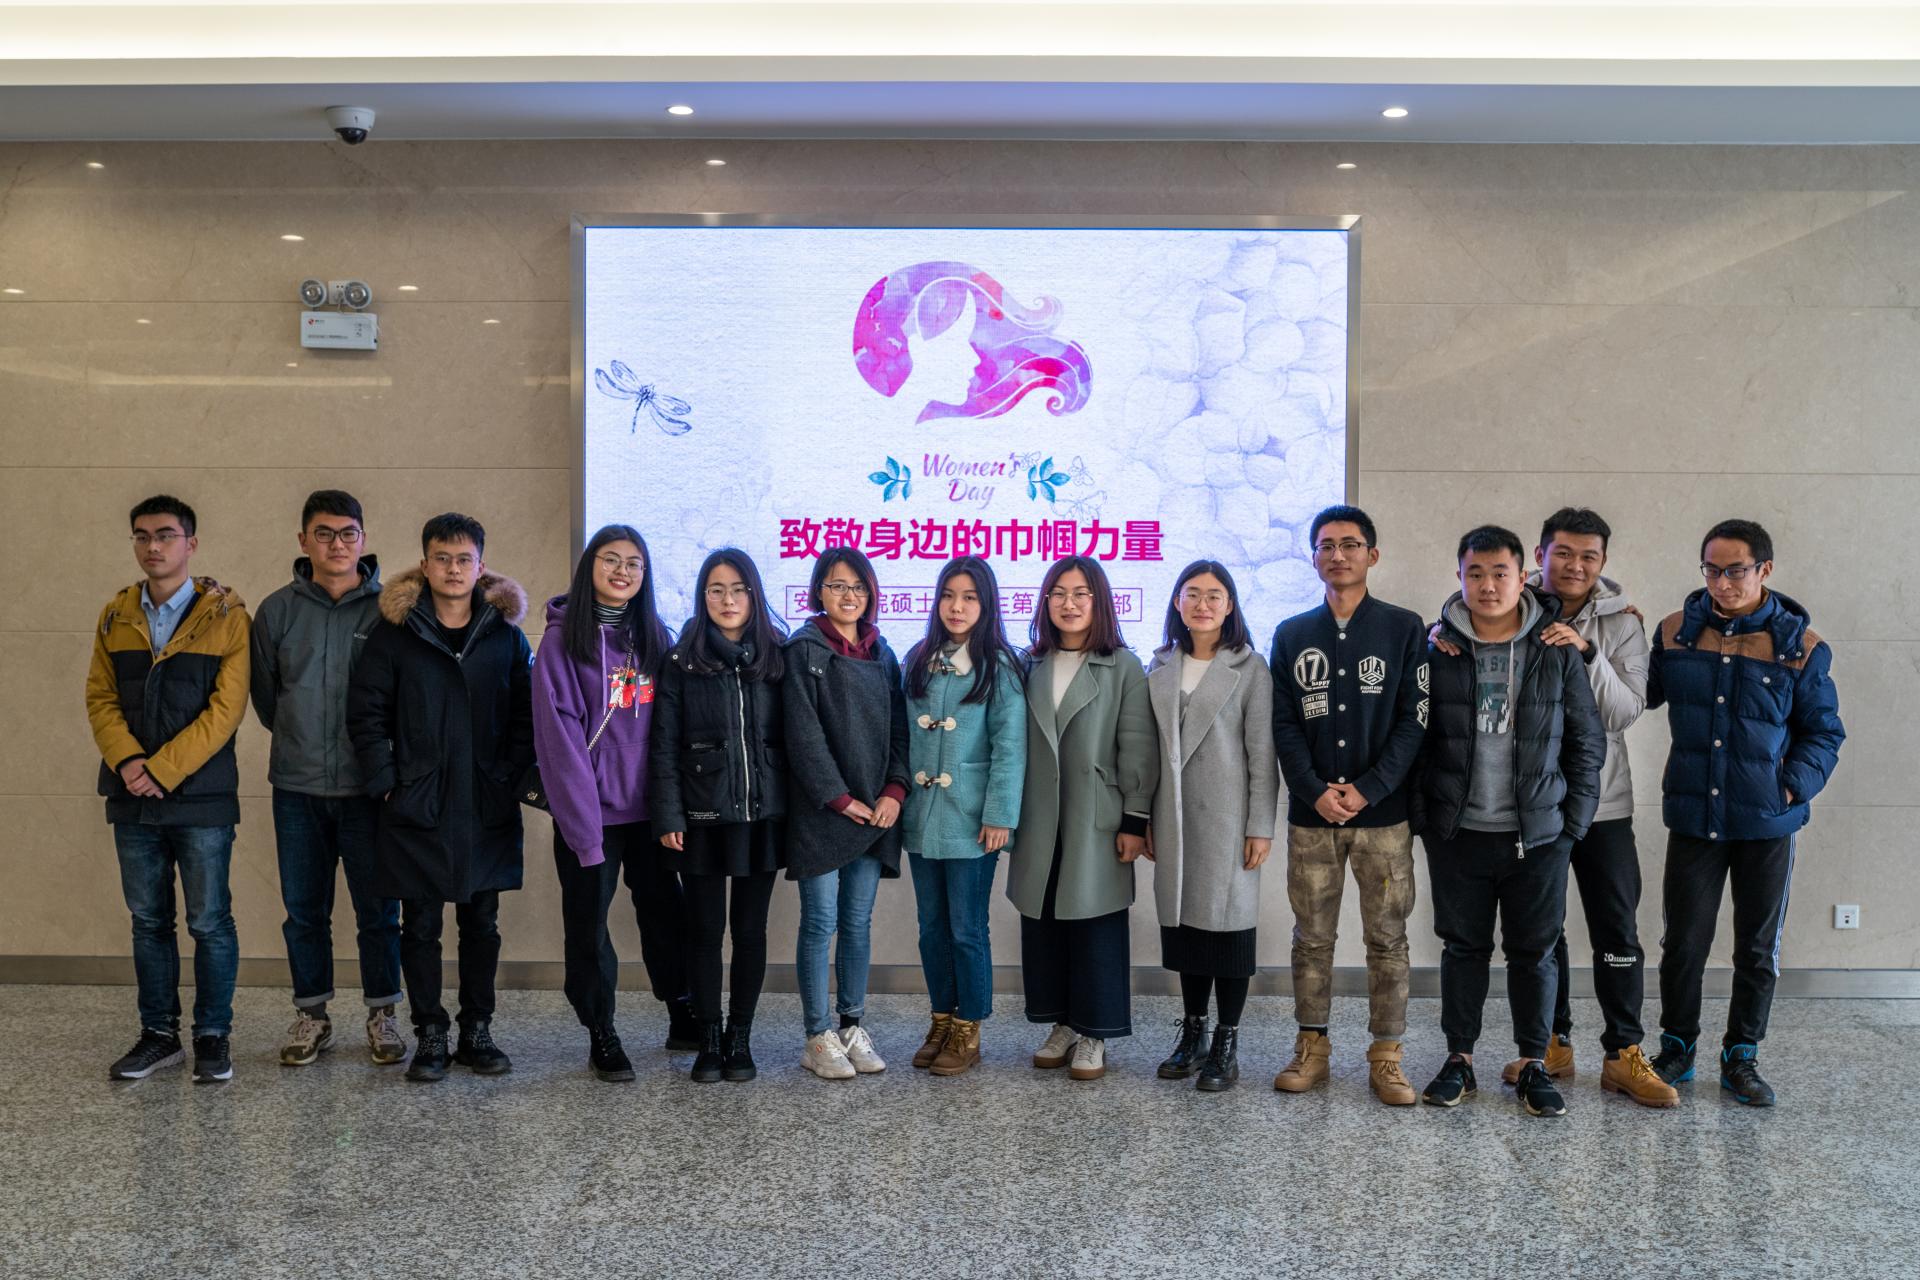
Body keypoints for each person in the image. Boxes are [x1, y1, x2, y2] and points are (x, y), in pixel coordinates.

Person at [1443, 509, 1676, 1107]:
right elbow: (1467, 617)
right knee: (1542, 934)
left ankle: (1624, 1052)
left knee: (1615, 927)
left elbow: (1622, 712)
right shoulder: (1511, 605)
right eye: (1563, 553)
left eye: (1588, 556)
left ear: (1603, 562)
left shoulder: (1621, 624)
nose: (1575, 566)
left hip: (1600, 802)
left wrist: (1587, 652)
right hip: (1525, 809)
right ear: (1539, 558)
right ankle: (1552, 1043)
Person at [1646, 519, 1845, 1107]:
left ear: (1764, 570)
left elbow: (1824, 733)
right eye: (1712, 570)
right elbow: (1637, 693)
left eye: (1736, 570)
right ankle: (1677, 1048)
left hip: (1766, 823)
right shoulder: (1675, 632)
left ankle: (1742, 1056)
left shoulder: (1801, 646)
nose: (1723, 582)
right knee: (1683, 942)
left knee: (1756, 949)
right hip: (1693, 817)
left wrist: (1790, 789)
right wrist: (1617, 631)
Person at [1416, 525, 1605, 1118]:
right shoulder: (1436, 650)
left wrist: (1571, 826)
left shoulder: (1554, 647)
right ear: (1459, 578)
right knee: (1463, 948)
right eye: (1474, 573)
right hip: (1458, 831)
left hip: (1539, 834)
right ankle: (1460, 1059)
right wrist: (1427, 820)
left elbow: (1587, 741)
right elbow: (1413, 738)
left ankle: (1532, 1063)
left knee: (1534, 952)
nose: (1488, 585)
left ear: (1522, 577)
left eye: (1500, 573)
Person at [347, 513, 533, 1083]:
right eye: (442, 559)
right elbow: (366, 713)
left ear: (481, 566)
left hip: (485, 801)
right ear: (425, 565)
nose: (453, 569)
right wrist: (387, 781)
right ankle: (430, 1030)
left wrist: (507, 775)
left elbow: (526, 718)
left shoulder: (505, 636)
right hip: (416, 803)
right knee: (420, 926)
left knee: (482, 923)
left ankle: (477, 1029)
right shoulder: (394, 634)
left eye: (464, 559)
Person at [1268, 505, 1427, 1106]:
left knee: (1388, 938)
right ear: (1313, 557)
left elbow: (1415, 720)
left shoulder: (1404, 629)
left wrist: (1368, 788)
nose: (1338, 555)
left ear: (1372, 555)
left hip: (1383, 818)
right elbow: (1283, 724)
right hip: (1312, 818)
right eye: (1326, 545)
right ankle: (1312, 1046)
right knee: (1312, 937)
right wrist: (1314, 790)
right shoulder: (1291, 634)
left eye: (1350, 544)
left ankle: (1387, 1055)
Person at [89, 495, 250, 1083]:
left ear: (191, 544)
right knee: (148, 921)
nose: (152, 546)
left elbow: (225, 711)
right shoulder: (116, 615)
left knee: (209, 921)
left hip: (202, 799)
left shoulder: (227, 616)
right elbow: (100, 698)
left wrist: (162, 769)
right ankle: (159, 1036)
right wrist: (130, 762)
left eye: (164, 535)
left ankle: (212, 1036)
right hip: (130, 795)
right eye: (141, 535)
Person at [250, 489, 407, 1069]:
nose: (336, 544)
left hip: (370, 789)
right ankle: (312, 1015)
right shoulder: (276, 611)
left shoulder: (390, 610)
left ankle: (383, 1014)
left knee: (378, 911)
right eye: (323, 533)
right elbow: (267, 699)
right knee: (303, 911)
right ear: (303, 541)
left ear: (363, 540)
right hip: (297, 788)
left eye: (347, 533)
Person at [532, 524, 694, 1084]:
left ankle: (682, 1011)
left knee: (667, 916)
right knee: (588, 927)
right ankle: (601, 1030)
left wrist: (673, 807)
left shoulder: (654, 637)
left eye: (634, 563)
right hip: (591, 814)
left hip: (650, 814)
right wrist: (584, 829)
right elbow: (559, 745)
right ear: (589, 567)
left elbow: (669, 728)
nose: (623, 571)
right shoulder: (561, 643)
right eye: (611, 560)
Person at [1011, 556, 1158, 1082]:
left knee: (1095, 922)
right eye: (1058, 593)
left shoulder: (1122, 666)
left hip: (1096, 814)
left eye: (1080, 594)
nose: (1068, 604)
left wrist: (1135, 820)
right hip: (1038, 814)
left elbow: (1137, 746)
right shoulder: (1028, 664)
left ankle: (1094, 1031)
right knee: (1044, 920)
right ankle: (1061, 1024)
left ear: (1099, 602)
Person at [652, 548, 790, 1083]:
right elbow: (663, 745)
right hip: (700, 815)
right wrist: (669, 816)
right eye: (716, 590)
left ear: (753, 594)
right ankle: (708, 1038)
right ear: (702, 596)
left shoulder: (775, 657)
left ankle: (740, 1038)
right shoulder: (681, 660)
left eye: (738, 589)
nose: (727, 600)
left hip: (762, 816)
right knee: (704, 932)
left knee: (750, 932)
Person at [1146, 561, 1277, 1093]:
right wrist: (1144, 817)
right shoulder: (1158, 665)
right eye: (1192, 594)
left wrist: (1260, 825)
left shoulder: (1251, 668)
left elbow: (1262, 754)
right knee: (1187, 932)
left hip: (1228, 819)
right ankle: (1194, 1033)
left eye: (1215, 595)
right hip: (1172, 818)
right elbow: (1148, 752)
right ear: (1177, 603)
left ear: (1230, 606)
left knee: (1230, 932)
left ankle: (1227, 1040)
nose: (1203, 604)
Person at [784, 546, 910, 1080]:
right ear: (819, 591)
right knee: (820, 923)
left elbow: (901, 732)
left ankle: (851, 1025)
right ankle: (817, 1035)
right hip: (823, 811)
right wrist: (839, 798)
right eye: (837, 585)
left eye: (858, 587)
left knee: (857, 923)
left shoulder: (883, 653)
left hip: (876, 812)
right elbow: (802, 734)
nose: (848, 595)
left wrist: (894, 791)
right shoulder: (803, 649)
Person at [900, 556, 1027, 1077]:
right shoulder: (918, 659)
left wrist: (1000, 815)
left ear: (987, 604)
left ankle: (969, 1026)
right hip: (922, 817)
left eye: (970, 597)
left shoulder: (1000, 665)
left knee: (967, 929)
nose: (957, 606)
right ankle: (941, 1019)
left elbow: (1010, 747)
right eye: (949, 595)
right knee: (931, 928)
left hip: (974, 821)